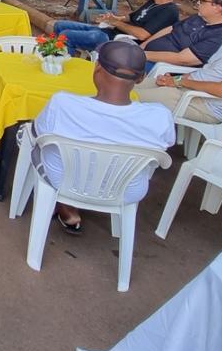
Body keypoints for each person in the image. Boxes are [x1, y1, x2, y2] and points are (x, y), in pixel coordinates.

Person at [32, 41, 174, 233]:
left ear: (97, 67)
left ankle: (63, 203)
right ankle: (70, 206)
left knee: (30, 138)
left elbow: (38, 133)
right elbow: (163, 149)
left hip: (63, 181)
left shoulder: (63, 104)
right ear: (141, 78)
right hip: (126, 191)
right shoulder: (160, 116)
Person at [136, 1, 222, 125]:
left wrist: (179, 82)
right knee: (125, 85)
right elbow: (208, 71)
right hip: (187, 89)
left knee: (124, 96)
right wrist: (174, 79)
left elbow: (221, 90)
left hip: (204, 104)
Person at [51, 0, 180, 56]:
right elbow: (132, 17)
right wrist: (113, 18)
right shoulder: (153, 0)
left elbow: (142, 35)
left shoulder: (169, 11)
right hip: (111, 32)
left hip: (122, 42)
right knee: (59, 25)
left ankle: (65, 65)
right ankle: (57, 57)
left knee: (66, 35)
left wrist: (116, 22)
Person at [142, 0, 222, 70]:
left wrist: (141, 55)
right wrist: (143, 45)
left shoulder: (221, 35)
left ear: (217, 8)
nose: (198, 3)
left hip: (160, 66)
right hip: (146, 55)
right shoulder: (199, 17)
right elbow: (171, 29)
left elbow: (182, 59)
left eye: (202, 0)